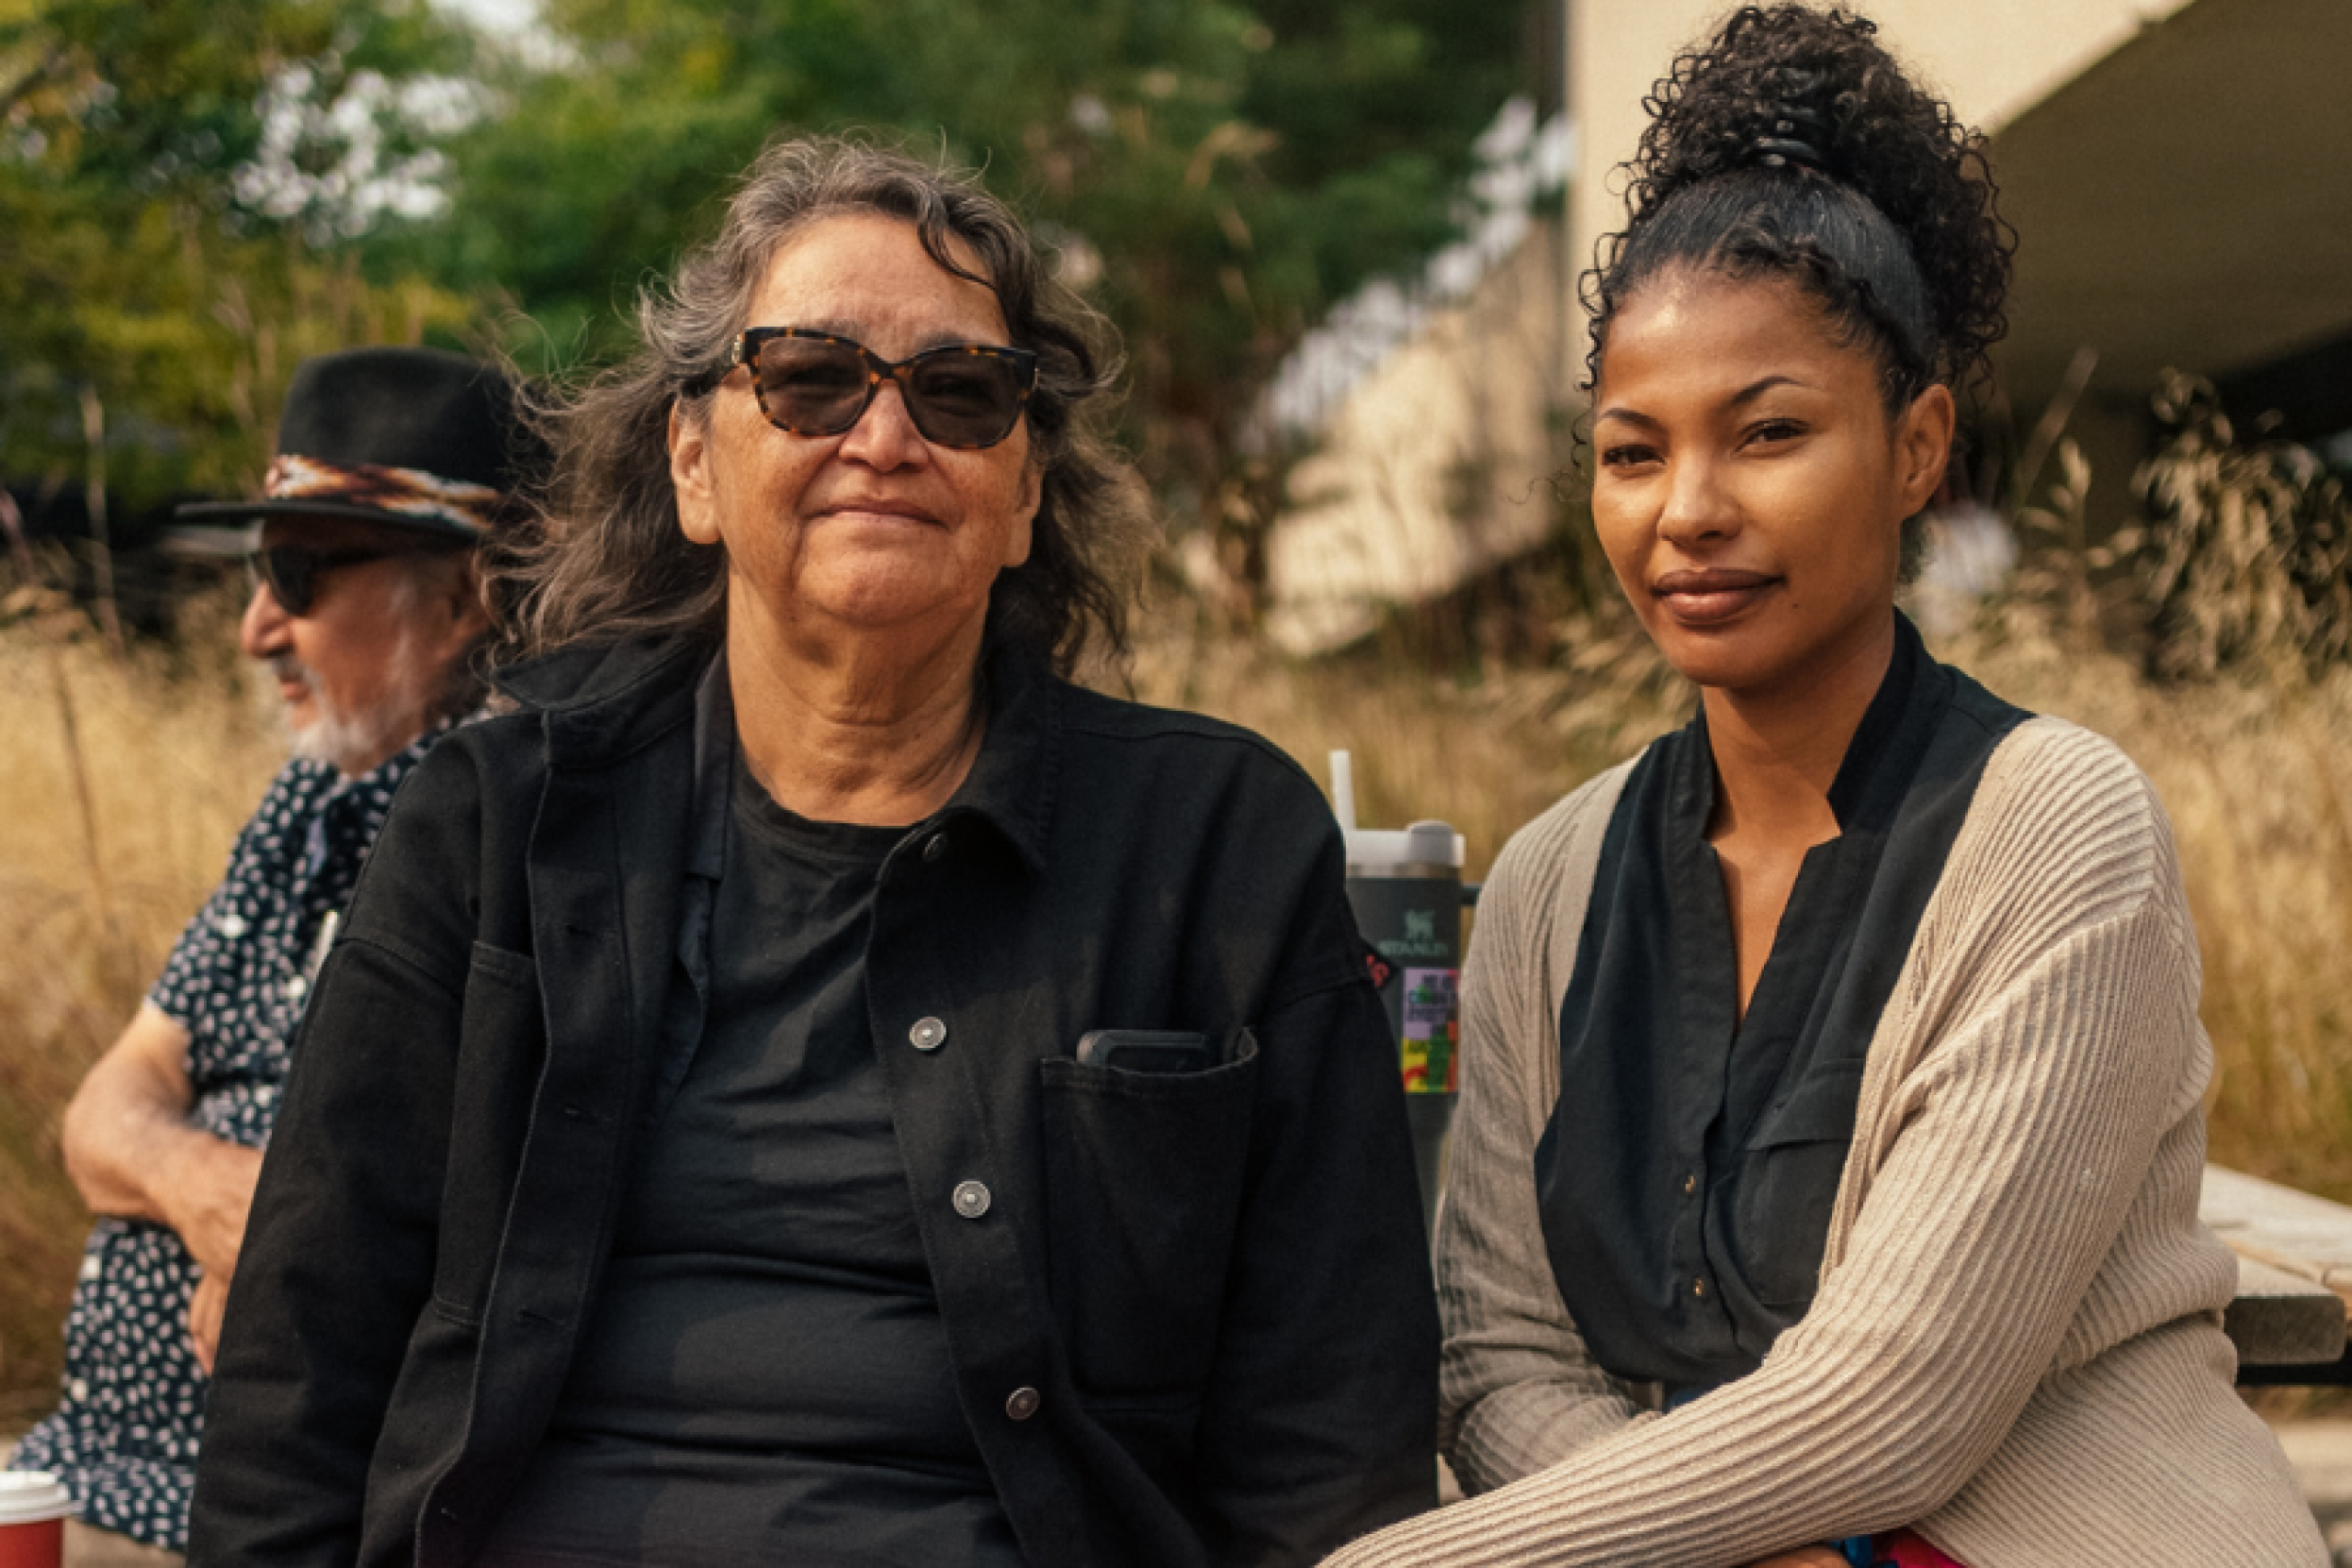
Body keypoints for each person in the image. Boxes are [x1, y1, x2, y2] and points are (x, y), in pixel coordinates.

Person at [187, 137, 1439, 1568]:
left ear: (1027, 490)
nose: (885, 438)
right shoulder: (489, 826)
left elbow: (1330, 1440)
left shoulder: (1218, 854)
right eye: (809, 377)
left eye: (962, 392)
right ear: (694, 460)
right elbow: (301, 1368)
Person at [1323, 8, 2325, 1567]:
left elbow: (1899, 1397)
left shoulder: (2059, 827)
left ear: (1918, 445)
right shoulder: (1546, 880)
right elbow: (1499, 1350)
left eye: (1770, 432)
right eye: (1632, 452)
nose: (1689, 512)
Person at [5, 347, 546, 1565]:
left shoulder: (522, 844)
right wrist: (207, 1190)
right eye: (259, 571)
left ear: (471, 596)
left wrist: (297, 1246)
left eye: (296, 573)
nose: (256, 629)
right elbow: (101, 1107)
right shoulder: (306, 806)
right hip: (87, 1461)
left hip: (248, 1513)